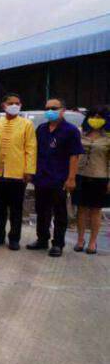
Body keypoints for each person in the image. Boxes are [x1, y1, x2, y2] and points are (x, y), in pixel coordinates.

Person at [27, 98, 84, 257]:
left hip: (59, 178)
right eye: (47, 108)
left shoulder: (71, 130)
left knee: (59, 212)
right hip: (41, 177)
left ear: (62, 110)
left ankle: (58, 243)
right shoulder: (41, 129)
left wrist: (71, 178)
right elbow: (34, 152)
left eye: (54, 108)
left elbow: (74, 156)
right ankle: (42, 239)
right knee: (41, 210)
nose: (50, 111)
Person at [0, 93, 36, 250]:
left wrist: (29, 170)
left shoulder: (27, 124)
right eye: (11, 103)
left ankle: (14, 238)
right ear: (3, 106)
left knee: (16, 208)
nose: (15, 105)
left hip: (17, 173)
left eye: (18, 103)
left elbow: (31, 148)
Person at [73, 106, 110, 254]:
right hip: (80, 175)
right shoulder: (80, 134)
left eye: (99, 117)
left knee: (95, 210)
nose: (96, 119)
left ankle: (93, 242)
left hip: (100, 177)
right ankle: (80, 240)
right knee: (81, 209)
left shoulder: (108, 138)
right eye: (93, 116)